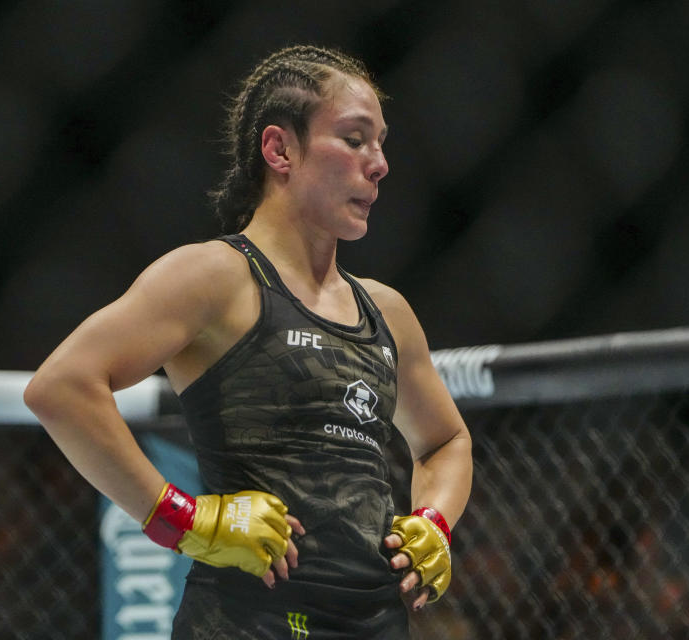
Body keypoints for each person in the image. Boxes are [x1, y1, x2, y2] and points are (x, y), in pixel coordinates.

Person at [24, 44, 473, 639]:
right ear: (280, 149)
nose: (380, 162)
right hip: (245, 622)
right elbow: (61, 386)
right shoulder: (217, 278)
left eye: (381, 142)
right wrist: (186, 522)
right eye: (355, 138)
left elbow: (446, 440)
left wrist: (435, 521)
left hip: (376, 624)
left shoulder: (386, 311)